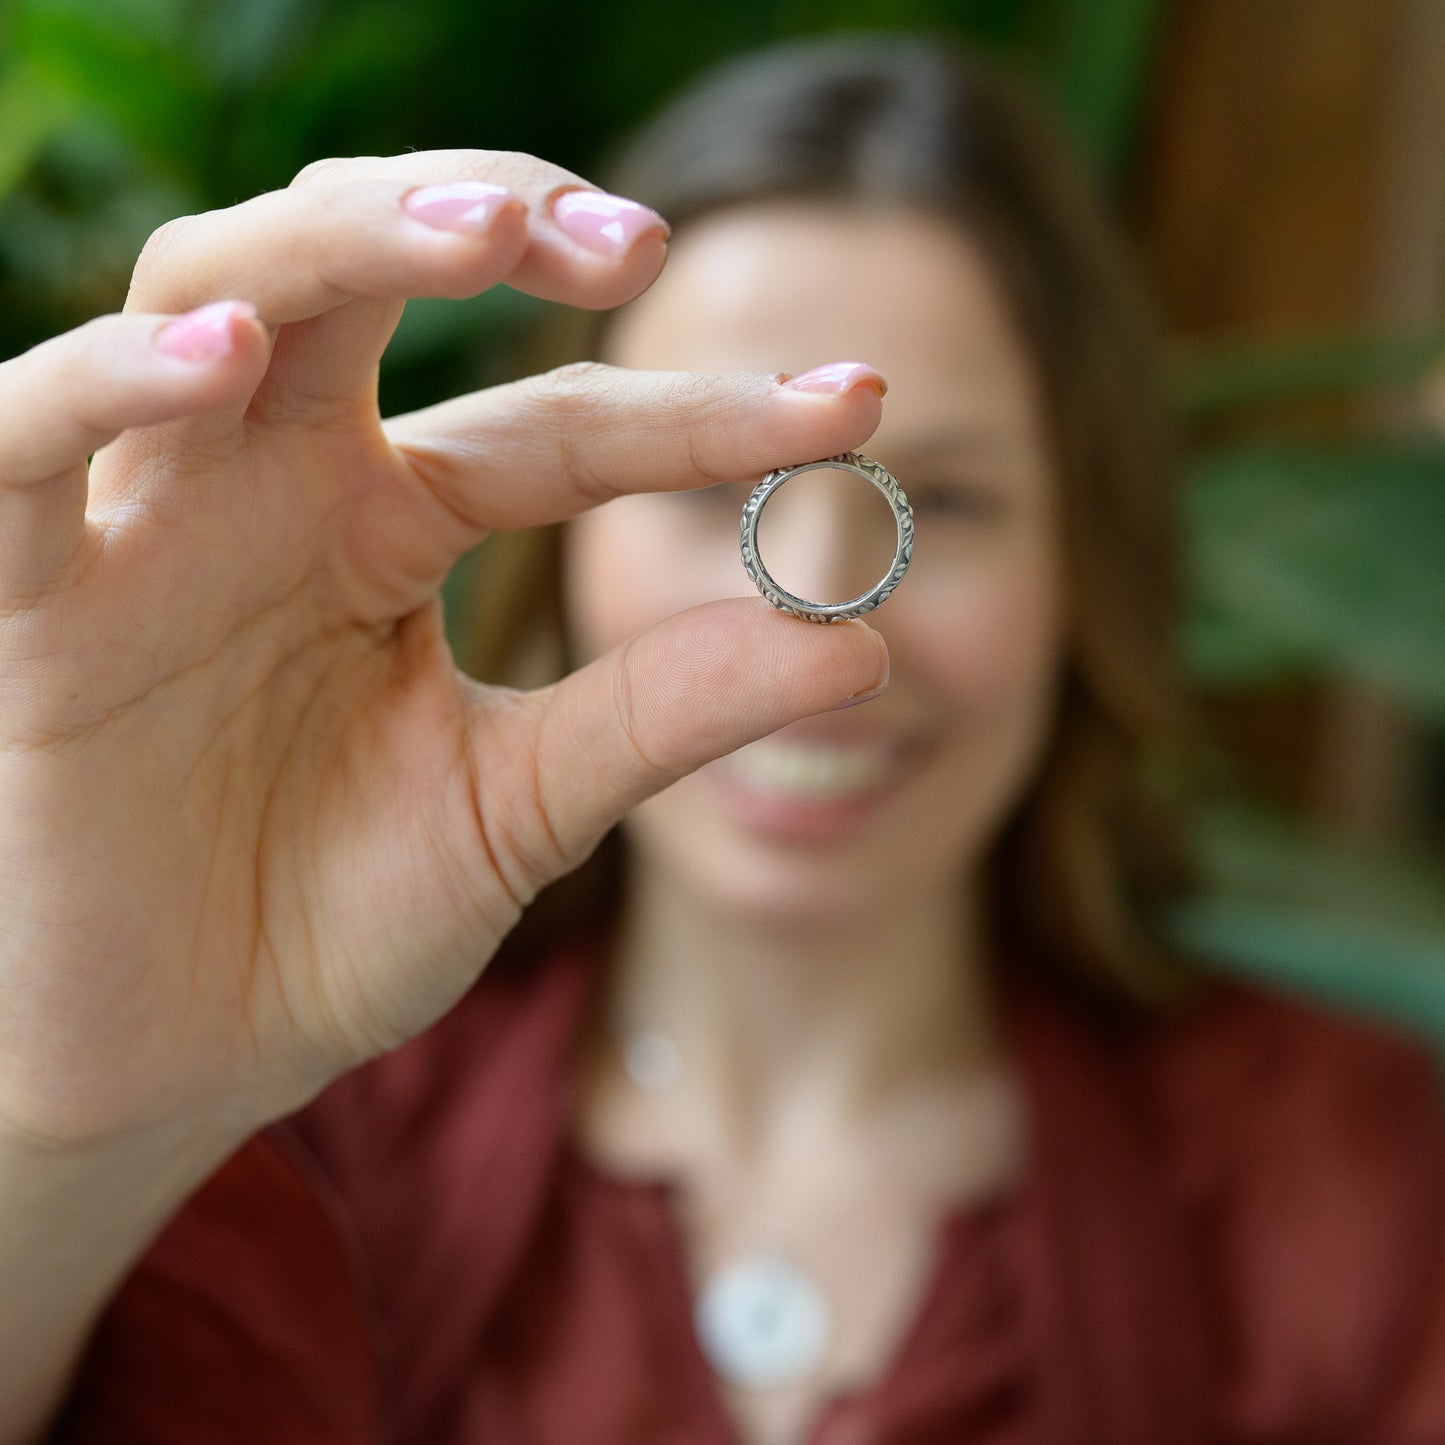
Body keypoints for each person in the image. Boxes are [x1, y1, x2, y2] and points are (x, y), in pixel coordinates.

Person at [4, 32, 1442, 1445]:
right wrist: (62, 1141)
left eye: (942, 500)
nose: (814, 621)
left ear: (1086, 561)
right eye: (712, 487)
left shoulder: (1356, 1174)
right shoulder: (283, 1124)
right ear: (559, 530)